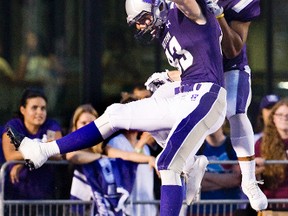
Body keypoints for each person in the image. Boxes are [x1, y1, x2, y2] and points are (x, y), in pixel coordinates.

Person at [7, 0, 228, 215]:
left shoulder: (190, 13)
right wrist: (170, 76)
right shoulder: (168, 28)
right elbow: (196, 65)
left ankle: (187, 163)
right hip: (186, 94)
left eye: (143, 19)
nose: (141, 26)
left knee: (167, 165)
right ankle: (42, 150)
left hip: (206, 98)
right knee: (115, 113)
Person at [144, 0, 267, 211]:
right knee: (159, 108)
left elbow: (233, 50)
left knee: (235, 112)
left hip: (229, 68)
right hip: (197, 71)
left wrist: (220, 18)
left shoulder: (239, 3)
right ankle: (191, 163)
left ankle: (248, 179)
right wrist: (171, 75)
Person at [66, 103, 157, 215]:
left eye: (92, 123)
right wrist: (100, 157)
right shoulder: (70, 145)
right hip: (80, 205)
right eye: (83, 123)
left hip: (100, 207)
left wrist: (149, 158)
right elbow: (72, 156)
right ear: (75, 126)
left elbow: (126, 155)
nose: (88, 127)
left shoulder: (103, 148)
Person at [1, 87, 63, 214]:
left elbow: (57, 153)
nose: (40, 112)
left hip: (44, 195)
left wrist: (22, 163)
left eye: (43, 108)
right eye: (34, 108)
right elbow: (10, 155)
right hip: (16, 195)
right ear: (23, 109)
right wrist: (42, 148)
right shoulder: (13, 126)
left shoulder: (51, 126)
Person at [189, 123, 242, 215]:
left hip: (229, 210)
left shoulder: (234, 146)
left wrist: (204, 176)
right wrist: (226, 182)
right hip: (199, 211)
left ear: (222, 120)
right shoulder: (195, 147)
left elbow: (237, 180)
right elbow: (192, 182)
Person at [254, 98, 288, 212]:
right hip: (271, 206)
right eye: (280, 114)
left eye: (287, 114)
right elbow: (252, 178)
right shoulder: (261, 144)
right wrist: (257, 170)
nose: (284, 118)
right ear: (273, 118)